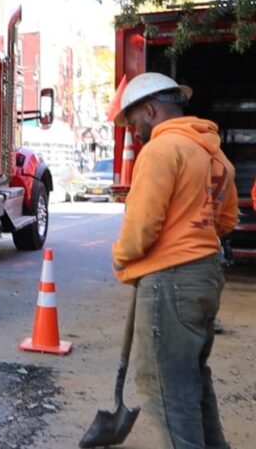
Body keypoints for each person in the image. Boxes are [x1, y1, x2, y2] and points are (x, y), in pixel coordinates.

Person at [111, 72, 237, 449]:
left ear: (150, 110)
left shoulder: (162, 150)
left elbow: (142, 225)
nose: (136, 132)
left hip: (171, 281)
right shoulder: (214, 154)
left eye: (135, 123)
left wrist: (122, 258)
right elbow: (226, 221)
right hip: (206, 275)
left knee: (166, 389)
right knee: (191, 381)